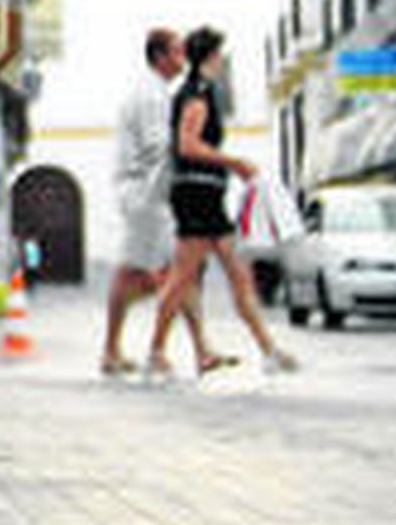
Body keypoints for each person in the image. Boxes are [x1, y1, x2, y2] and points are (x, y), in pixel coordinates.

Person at [146, 26, 299, 378]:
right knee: (184, 277)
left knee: (235, 274)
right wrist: (235, 163)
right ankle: (157, 351)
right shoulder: (197, 94)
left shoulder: (197, 91)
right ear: (211, 57)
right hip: (197, 195)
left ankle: (268, 350)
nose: (219, 61)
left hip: (205, 195)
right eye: (218, 55)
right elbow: (187, 145)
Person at [100, 26, 229, 376]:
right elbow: (162, 148)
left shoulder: (155, 92)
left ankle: (120, 351)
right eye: (176, 51)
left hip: (145, 193)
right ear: (160, 57)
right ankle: (180, 350)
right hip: (148, 193)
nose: (183, 58)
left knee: (153, 272)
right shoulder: (152, 97)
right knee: (170, 271)